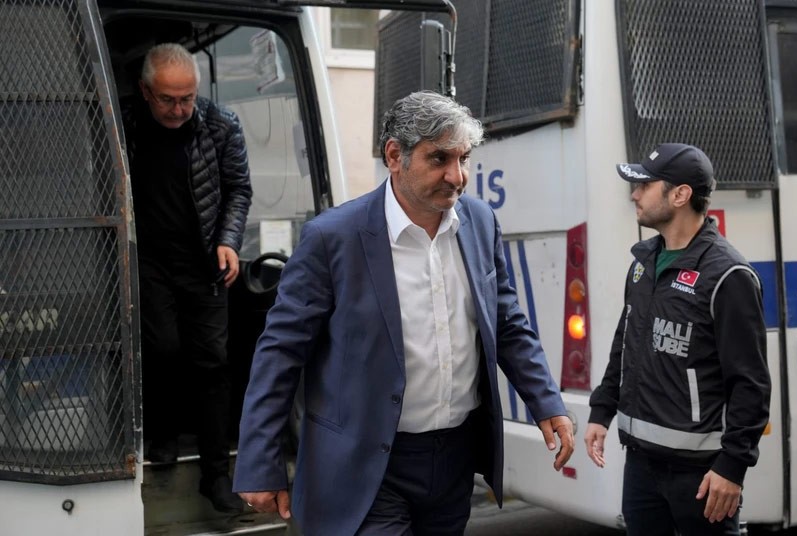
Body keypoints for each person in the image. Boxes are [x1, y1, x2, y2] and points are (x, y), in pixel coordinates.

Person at [233, 90, 574, 535]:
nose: (457, 176)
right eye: (439, 159)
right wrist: (259, 460)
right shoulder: (332, 238)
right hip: (364, 466)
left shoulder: (479, 222)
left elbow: (506, 323)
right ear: (395, 156)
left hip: (452, 464)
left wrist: (546, 402)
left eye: (464, 159)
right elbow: (280, 353)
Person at [584, 143, 771, 535]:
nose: (634, 195)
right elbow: (625, 343)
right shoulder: (643, 265)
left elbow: (751, 384)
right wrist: (602, 410)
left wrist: (732, 467)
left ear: (680, 195)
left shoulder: (729, 275)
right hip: (640, 466)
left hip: (701, 476)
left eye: (645, 185)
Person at [121, 43, 252, 513]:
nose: (179, 110)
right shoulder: (122, 123)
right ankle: (163, 435)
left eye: (187, 99)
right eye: (168, 100)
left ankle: (216, 475)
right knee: (161, 349)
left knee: (213, 362)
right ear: (145, 91)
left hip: (204, 262)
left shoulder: (222, 126)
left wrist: (229, 240)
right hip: (147, 261)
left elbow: (238, 189)